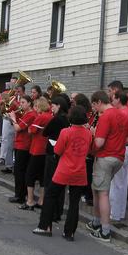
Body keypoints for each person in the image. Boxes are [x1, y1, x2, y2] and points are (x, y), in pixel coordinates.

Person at [33, 105, 93, 240]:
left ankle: (45, 226)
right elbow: (89, 150)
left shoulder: (66, 132)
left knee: (50, 196)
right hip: (80, 171)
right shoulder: (88, 133)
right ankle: (69, 232)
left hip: (64, 170)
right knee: (74, 203)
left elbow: (57, 150)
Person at [86, 91, 128, 242]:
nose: (94, 109)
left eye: (94, 105)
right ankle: (97, 221)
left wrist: (92, 133)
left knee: (102, 193)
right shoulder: (122, 115)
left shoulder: (106, 116)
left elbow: (99, 143)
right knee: (97, 190)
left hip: (105, 157)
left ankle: (105, 230)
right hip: (118, 157)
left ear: (99, 102)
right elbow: (125, 138)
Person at [21, 97, 53, 210]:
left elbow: (31, 131)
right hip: (45, 150)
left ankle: (30, 201)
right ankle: (41, 200)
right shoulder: (50, 116)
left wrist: (30, 126)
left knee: (30, 175)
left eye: (36, 106)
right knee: (42, 176)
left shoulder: (41, 117)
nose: (35, 108)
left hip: (36, 149)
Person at [43, 96, 70, 220]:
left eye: (53, 105)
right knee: (60, 184)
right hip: (62, 154)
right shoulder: (67, 119)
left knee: (51, 182)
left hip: (53, 153)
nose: (51, 107)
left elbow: (45, 132)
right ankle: (58, 211)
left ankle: (51, 213)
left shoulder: (57, 119)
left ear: (59, 106)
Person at [109, 91, 128, 222]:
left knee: (117, 183)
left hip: (121, 148)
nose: (112, 102)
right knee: (122, 183)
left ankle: (115, 213)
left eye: (113, 99)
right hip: (126, 148)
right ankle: (120, 212)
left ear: (118, 100)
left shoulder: (121, 113)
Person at [8, 95, 36, 204]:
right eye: (21, 103)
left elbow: (18, 128)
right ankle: (19, 194)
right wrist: (12, 119)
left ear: (29, 103)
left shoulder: (30, 114)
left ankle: (19, 196)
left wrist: (13, 119)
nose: (21, 105)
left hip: (23, 146)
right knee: (19, 171)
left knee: (19, 172)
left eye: (23, 102)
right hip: (20, 144)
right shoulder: (26, 114)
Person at [0, 78, 21, 173]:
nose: (12, 84)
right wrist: (4, 100)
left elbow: (22, 107)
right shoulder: (5, 93)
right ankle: (8, 165)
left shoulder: (20, 94)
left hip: (18, 120)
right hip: (7, 118)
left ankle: (16, 163)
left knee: (17, 142)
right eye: (12, 82)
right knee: (7, 141)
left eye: (15, 82)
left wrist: (14, 101)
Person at [75, 93, 95, 206]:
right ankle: (84, 192)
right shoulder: (89, 114)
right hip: (86, 144)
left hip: (89, 145)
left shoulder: (89, 114)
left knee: (88, 172)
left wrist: (88, 127)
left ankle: (89, 195)